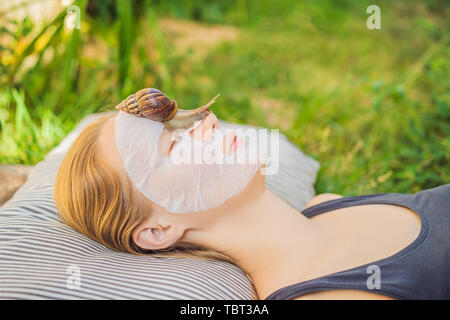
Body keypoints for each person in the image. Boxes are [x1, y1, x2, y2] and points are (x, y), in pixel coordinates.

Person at [54, 111, 450, 300]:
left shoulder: (328, 205)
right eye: (174, 145)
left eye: (180, 128)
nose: (207, 126)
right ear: (158, 231)